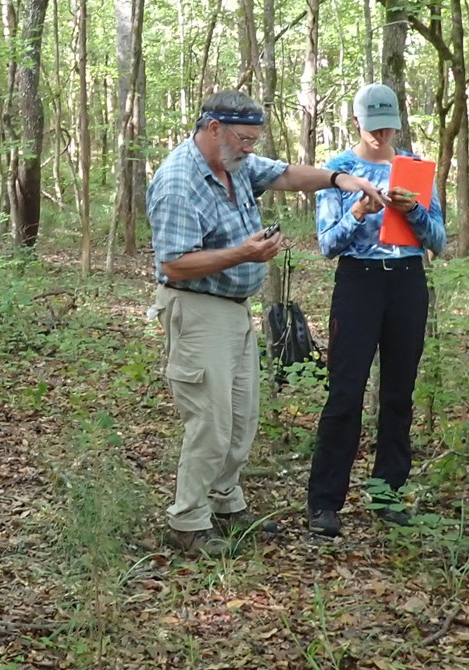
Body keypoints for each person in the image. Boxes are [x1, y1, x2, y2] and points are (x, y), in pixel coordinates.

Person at [147, 90, 385, 556]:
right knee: (210, 422)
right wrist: (246, 253)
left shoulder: (235, 163)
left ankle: (225, 502)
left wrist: (342, 179)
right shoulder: (179, 180)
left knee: (241, 418)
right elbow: (173, 263)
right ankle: (188, 521)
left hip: (235, 311)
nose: (251, 149)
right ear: (213, 128)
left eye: (255, 140)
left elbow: (288, 174)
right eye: (244, 139)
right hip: (195, 310)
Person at [306, 84, 445, 538]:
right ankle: (325, 503)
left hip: (406, 281)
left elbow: (439, 240)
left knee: (398, 394)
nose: (382, 135)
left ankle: (388, 494)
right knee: (345, 392)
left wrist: (415, 212)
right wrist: (361, 212)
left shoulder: (415, 168)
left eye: (389, 127)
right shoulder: (339, 170)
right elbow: (327, 243)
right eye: (373, 128)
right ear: (356, 124)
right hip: (358, 281)